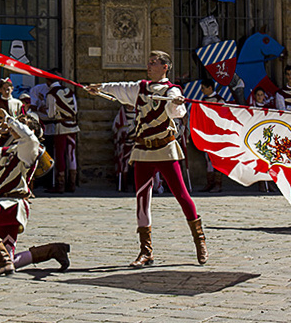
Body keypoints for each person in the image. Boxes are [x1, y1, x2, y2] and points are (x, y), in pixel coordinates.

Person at [86, 51, 208, 267]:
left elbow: (177, 112)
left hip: (164, 149)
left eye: (154, 63)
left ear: (165, 67)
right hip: (142, 150)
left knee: (182, 195)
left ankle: (200, 242)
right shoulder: (140, 88)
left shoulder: (172, 90)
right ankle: (146, 251)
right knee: (142, 199)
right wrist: (99, 88)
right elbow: (119, 88)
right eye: (149, 62)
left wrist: (178, 102)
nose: (149, 66)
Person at [0, 110, 70, 276]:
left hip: (13, 205)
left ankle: (2, 260)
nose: (15, 123)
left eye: (22, 121)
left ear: (32, 129)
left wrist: (9, 119)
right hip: (5, 204)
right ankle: (52, 250)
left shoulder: (30, 148)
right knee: (9, 260)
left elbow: (28, 137)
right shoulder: (8, 150)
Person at [44, 74, 80, 193]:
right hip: (73, 125)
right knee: (71, 154)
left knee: (60, 154)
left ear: (48, 81)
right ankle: (72, 184)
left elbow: (50, 114)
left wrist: (43, 109)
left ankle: (60, 184)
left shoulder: (51, 93)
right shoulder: (69, 91)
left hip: (61, 127)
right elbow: (75, 109)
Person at [198, 78, 223, 193]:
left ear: (210, 88)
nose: (202, 90)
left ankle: (218, 184)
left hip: (217, 134)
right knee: (208, 159)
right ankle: (210, 183)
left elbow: (224, 118)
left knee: (217, 159)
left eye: (203, 88)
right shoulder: (203, 100)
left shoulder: (220, 101)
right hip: (206, 133)